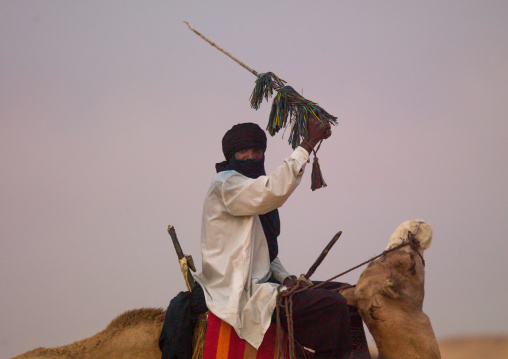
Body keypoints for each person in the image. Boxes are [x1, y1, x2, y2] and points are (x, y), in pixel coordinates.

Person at [194, 117, 353, 359]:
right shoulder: (226, 185)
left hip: (264, 282)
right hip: (237, 290)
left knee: (346, 294)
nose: (250, 156)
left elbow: (261, 251)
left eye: (256, 150)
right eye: (242, 151)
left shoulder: (250, 189)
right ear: (231, 156)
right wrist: (308, 144)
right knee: (333, 307)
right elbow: (271, 191)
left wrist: (285, 276)